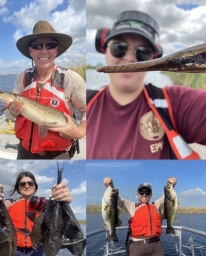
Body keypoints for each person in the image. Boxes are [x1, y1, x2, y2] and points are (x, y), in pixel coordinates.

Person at [87, 10, 206, 159]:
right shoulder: (84, 102)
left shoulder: (176, 103)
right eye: (119, 48)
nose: (130, 58)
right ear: (105, 50)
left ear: (153, 57)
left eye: (142, 52)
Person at [2, 20, 86, 159]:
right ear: (31, 51)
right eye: (37, 45)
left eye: (50, 45)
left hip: (58, 154)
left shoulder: (70, 79)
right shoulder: (22, 78)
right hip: (24, 151)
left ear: (56, 49)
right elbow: (9, 116)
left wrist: (79, 132)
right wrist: (11, 111)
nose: (44, 50)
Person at [102, 177, 176, 256]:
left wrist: (171, 183)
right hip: (136, 246)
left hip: (156, 245)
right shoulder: (131, 206)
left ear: (151, 195)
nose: (144, 195)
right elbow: (115, 199)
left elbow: (168, 197)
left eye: (147, 192)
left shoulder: (156, 205)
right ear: (137, 194)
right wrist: (111, 184)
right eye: (141, 192)